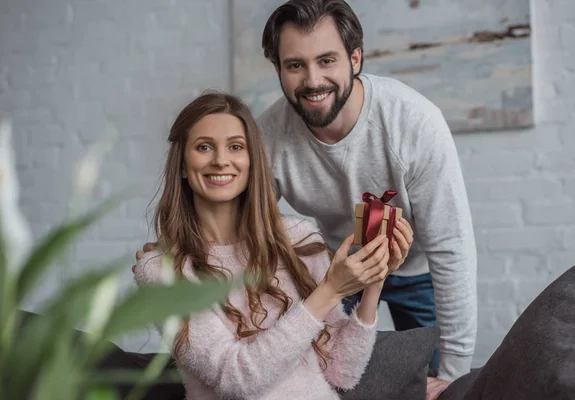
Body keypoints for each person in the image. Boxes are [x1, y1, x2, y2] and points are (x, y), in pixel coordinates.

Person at [256, 0, 478, 397]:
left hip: (417, 270)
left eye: (327, 60)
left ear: (355, 58)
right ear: (278, 70)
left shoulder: (414, 122)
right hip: (341, 267)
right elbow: (244, 229)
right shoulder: (268, 137)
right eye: (295, 65)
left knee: (436, 383)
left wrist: (455, 374)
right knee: (326, 378)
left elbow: (452, 248)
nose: (312, 80)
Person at [133, 92, 414, 399]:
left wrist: (375, 278)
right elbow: (237, 380)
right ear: (184, 166)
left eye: (236, 147)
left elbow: (342, 372)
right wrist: (329, 290)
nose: (221, 160)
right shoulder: (162, 272)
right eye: (204, 147)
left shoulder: (299, 239)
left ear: (252, 161)